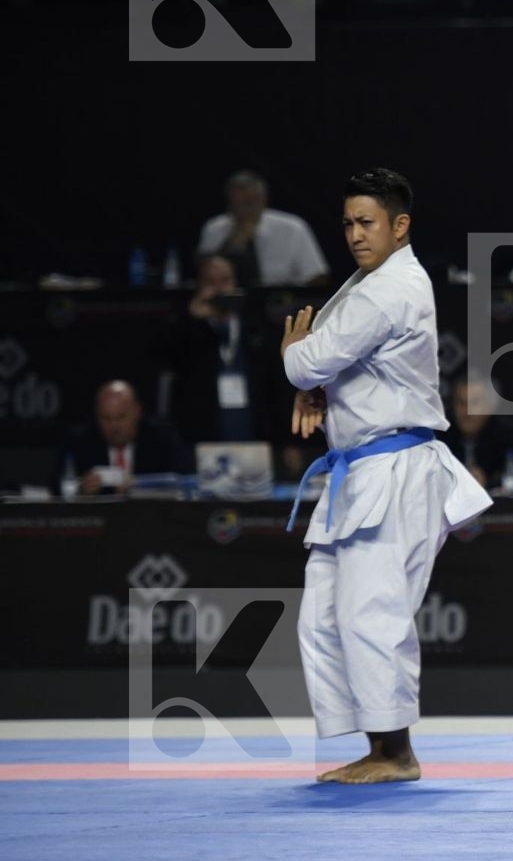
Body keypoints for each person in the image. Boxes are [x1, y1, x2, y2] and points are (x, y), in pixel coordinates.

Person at [281, 168, 492, 784]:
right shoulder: (366, 283)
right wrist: (317, 383)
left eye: (366, 222)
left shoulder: (390, 288)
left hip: (393, 469)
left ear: (400, 226)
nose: (354, 233)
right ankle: (374, 741)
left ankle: (394, 751)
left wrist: (298, 362)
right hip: (359, 471)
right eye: (347, 222)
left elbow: (310, 357)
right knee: (322, 613)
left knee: (373, 611)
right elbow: (329, 367)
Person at [158, 254, 278, 444]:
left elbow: (274, 387)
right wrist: (191, 319)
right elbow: (163, 356)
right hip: (203, 439)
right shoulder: (189, 329)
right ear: (199, 286)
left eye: (224, 281)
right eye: (210, 282)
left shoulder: (254, 330)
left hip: (253, 438)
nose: (219, 289)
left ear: (235, 285)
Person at [197, 170, 331, 287]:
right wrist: (233, 245)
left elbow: (317, 276)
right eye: (235, 205)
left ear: (263, 200)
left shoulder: (292, 228)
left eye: (248, 203)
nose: (242, 210)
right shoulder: (214, 229)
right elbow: (204, 276)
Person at [63, 380, 193, 495]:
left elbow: (183, 481)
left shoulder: (162, 437)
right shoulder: (80, 441)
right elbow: (55, 488)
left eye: (121, 417)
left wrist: (140, 486)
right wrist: (80, 489)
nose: (114, 427)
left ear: (137, 411)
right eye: (106, 419)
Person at [444, 378, 513, 490]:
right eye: (461, 403)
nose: (467, 411)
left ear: (490, 406)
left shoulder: (509, 437)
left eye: (474, 403)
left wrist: (488, 482)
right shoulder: (440, 437)